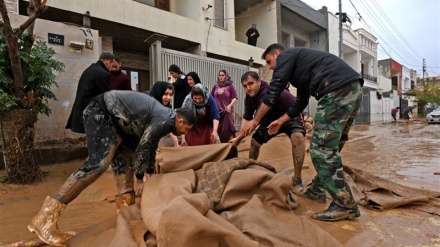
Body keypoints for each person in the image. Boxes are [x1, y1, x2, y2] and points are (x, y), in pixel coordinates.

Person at [28, 91, 196, 246]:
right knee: (98, 165)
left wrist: (149, 172)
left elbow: (150, 145)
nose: (184, 134)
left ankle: (125, 219)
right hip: (101, 113)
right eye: (186, 129)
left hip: (119, 126)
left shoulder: (165, 117)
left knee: (126, 166)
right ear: (180, 121)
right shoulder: (166, 119)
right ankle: (45, 218)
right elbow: (144, 146)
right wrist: (140, 178)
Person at [241, 43, 364, 221]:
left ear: (277, 54)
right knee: (332, 147)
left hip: (336, 90)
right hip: (352, 88)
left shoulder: (286, 56)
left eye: (269, 61)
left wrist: (255, 121)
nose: (270, 67)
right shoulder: (303, 69)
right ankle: (317, 190)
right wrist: (281, 120)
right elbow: (300, 102)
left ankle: (345, 204)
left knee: (321, 150)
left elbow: (274, 90)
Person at [230, 71, 306, 193]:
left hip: (290, 114)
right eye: (245, 86)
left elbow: (254, 121)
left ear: (259, 82)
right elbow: (246, 119)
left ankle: (297, 178)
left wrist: (239, 138)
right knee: (255, 141)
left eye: (250, 84)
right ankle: (251, 168)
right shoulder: (249, 98)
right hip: (271, 118)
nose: (248, 88)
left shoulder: (267, 91)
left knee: (298, 137)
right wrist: (237, 139)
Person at [65, 52, 115, 134]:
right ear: (107, 62)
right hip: (90, 110)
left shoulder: (90, 69)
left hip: (83, 107)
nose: (111, 69)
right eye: (112, 66)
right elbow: (106, 95)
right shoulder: (103, 73)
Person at [146, 81, 180, 147]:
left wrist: (176, 144)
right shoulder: (148, 104)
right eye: (166, 94)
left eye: (170, 95)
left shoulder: (166, 106)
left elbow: (169, 123)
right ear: (159, 92)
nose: (169, 97)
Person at [211, 70, 238, 143]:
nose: (221, 77)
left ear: (226, 76)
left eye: (223, 75)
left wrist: (230, 105)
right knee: (218, 131)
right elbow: (211, 97)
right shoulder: (215, 86)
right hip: (217, 113)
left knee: (227, 132)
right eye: (219, 75)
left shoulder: (230, 86)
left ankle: (228, 149)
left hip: (226, 112)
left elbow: (235, 97)